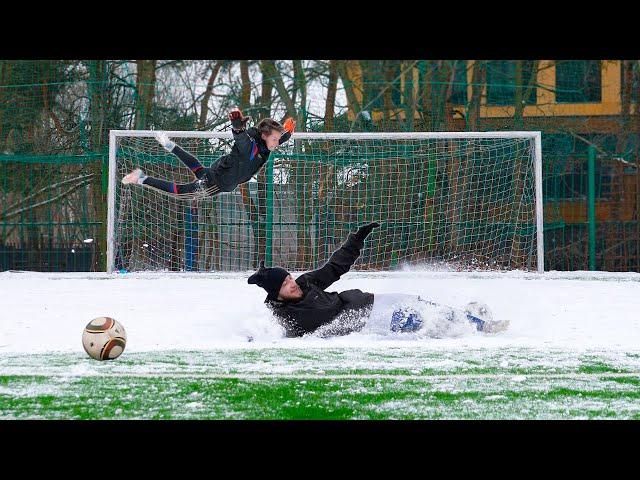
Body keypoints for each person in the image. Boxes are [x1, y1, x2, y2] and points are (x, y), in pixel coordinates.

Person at [248, 222, 509, 338]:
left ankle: (470, 318)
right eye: (284, 285)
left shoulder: (306, 283)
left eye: (289, 278)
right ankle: (479, 327)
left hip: (374, 301)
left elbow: (335, 267)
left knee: (425, 306)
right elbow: (283, 333)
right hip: (373, 321)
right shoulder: (288, 316)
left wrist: (356, 239)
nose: (291, 284)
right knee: (423, 321)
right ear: (277, 294)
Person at [121, 108, 295, 196]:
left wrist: (287, 134)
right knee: (181, 190)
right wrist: (238, 128)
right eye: (274, 139)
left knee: (198, 169)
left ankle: (169, 145)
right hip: (216, 182)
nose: (277, 143)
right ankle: (141, 178)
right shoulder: (250, 146)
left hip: (222, 175)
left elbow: (276, 140)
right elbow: (241, 140)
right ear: (264, 135)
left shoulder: (265, 146)